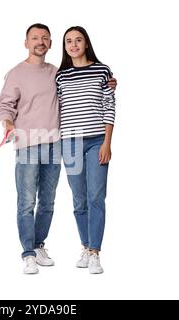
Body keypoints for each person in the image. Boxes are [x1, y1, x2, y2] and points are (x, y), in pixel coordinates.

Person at [0, 23, 61, 274]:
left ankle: (38, 245)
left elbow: (78, 88)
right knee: (26, 202)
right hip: (26, 145)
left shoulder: (57, 72)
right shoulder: (15, 73)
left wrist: (107, 83)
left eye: (45, 38)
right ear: (26, 43)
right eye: (35, 37)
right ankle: (27, 254)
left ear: (50, 43)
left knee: (47, 202)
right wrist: (8, 124)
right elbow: (5, 105)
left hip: (54, 145)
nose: (40, 41)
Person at [56, 26, 116, 274]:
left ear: (86, 43)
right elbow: (51, 105)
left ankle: (95, 252)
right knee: (79, 199)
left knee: (95, 197)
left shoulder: (102, 71)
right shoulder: (61, 76)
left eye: (78, 40)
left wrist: (107, 143)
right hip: (69, 143)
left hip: (96, 141)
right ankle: (84, 245)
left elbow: (109, 105)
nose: (73, 44)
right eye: (68, 41)